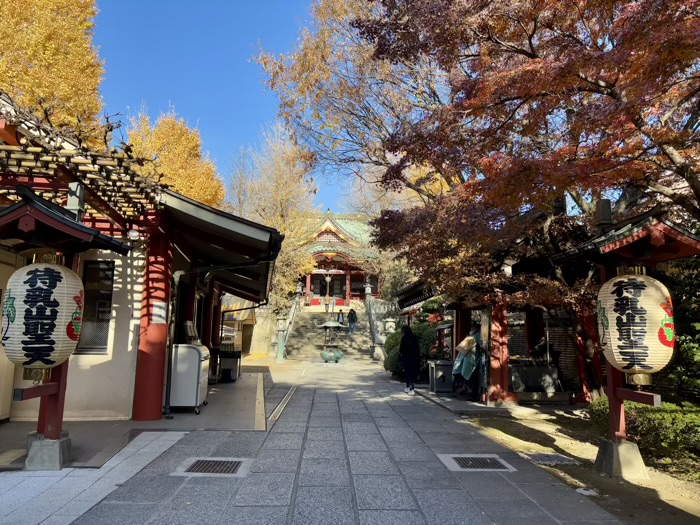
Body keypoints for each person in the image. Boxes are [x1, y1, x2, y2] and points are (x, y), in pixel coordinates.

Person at [399, 325, 420, 395]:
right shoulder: (415, 337)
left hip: (407, 358)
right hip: (415, 358)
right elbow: (418, 349)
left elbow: (401, 349)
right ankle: (410, 387)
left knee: (407, 373)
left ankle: (409, 387)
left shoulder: (404, 338)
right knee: (412, 373)